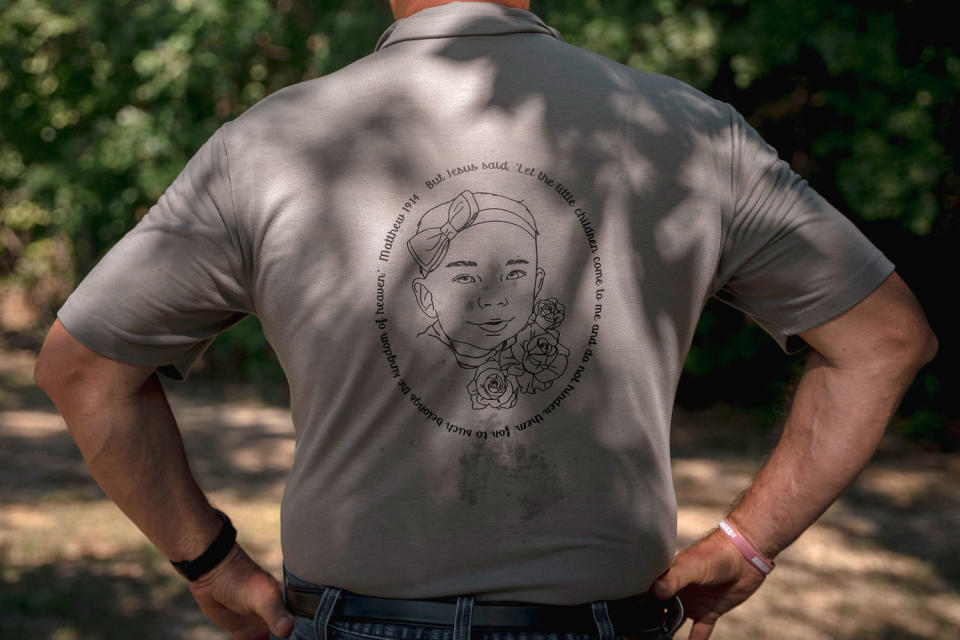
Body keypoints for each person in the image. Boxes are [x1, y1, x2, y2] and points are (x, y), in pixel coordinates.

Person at [34, 1, 938, 639]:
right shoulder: (694, 133)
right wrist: (750, 543)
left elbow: (83, 370)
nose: (491, 296)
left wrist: (212, 566)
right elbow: (884, 339)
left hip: (350, 622)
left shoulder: (270, 145)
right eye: (464, 272)